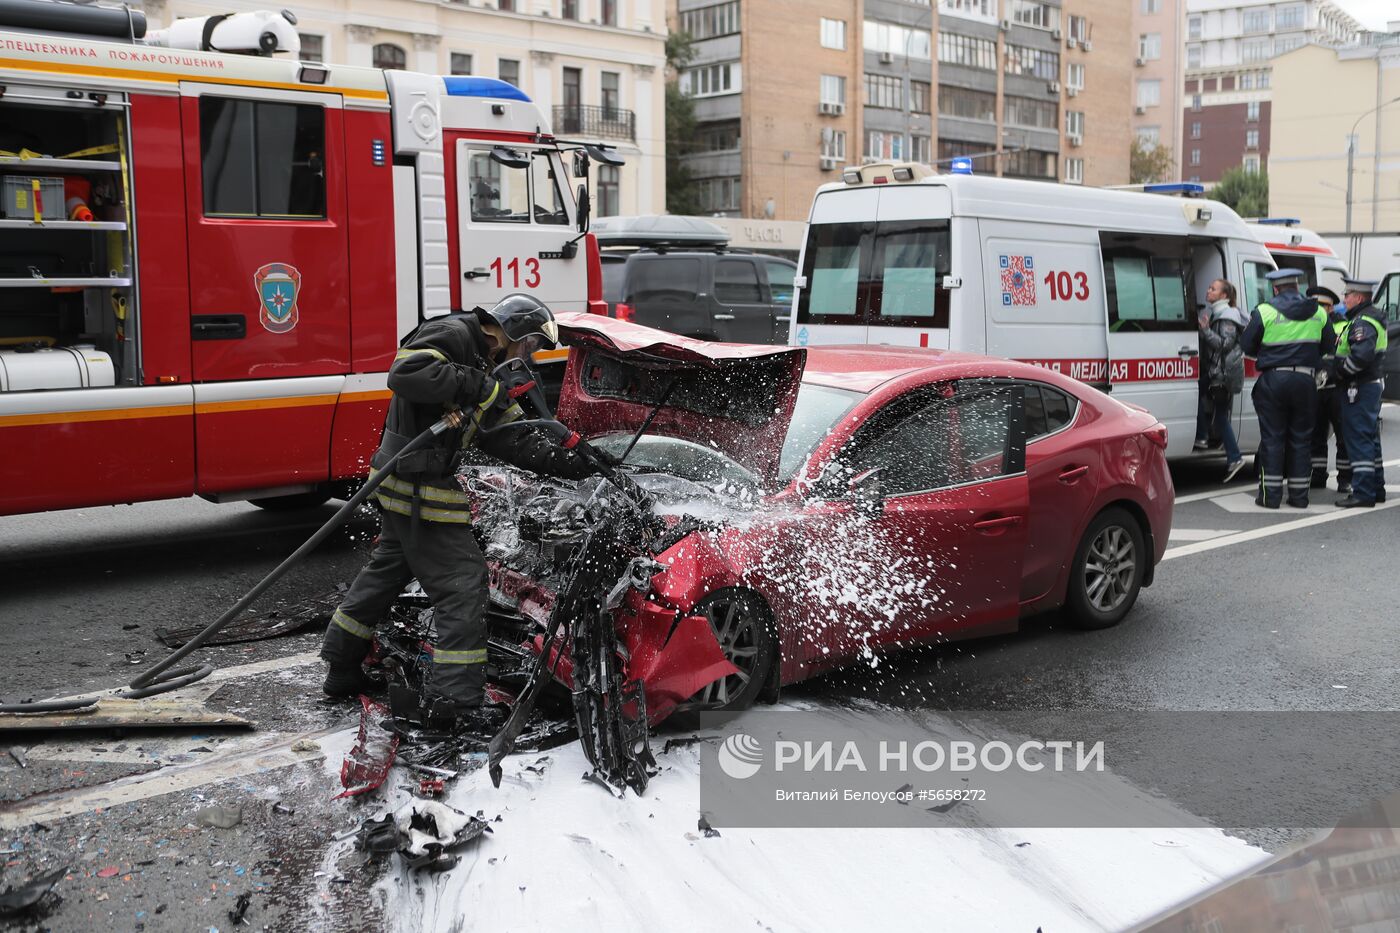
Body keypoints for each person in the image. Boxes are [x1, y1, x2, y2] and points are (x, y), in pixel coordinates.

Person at [321, 295, 597, 725]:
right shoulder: (453, 335)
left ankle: (342, 666)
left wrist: (568, 462)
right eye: (531, 348)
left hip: (406, 481)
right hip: (415, 481)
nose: (531, 358)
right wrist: (482, 387)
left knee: (388, 570)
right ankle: (455, 703)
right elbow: (406, 372)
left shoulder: (488, 367)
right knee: (463, 583)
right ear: (513, 334)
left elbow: (512, 436)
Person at [1240, 268, 1334, 509]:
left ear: (1275, 288)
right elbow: (1327, 346)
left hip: (1274, 380)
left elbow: (1247, 345)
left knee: (1273, 439)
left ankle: (1270, 498)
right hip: (1305, 381)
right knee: (1302, 440)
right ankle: (1300, 497)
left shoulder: (1265, 311)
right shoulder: (1319, 312)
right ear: (1297, 286)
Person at [1332, 278, 1389, 508]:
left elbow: (1361, 356)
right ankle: (1376, 488)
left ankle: (1364, 492)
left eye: (1348, 294)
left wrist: (1340, 373)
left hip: (1359, 386)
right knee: (1370, 439)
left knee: (1359, 439)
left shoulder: (1362, 322)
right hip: (1368, 385)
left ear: (1360, 297)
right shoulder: (1367, 318)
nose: (1344, 298)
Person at [1193, 278, 1249, 481]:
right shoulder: (1221, 313)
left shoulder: (1227, 316)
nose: (1208, 291)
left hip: (1222, 375)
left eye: (1212, 288)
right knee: (1205, 400)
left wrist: (1205, 331)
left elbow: (1225, 344)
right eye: (1209, 287)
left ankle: (1233, 457)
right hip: (1217, 372)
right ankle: (1203, 437)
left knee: (1221, 417)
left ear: (1224, 296)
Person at [1307, 286, 1351, 495]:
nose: (1318, 309)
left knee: (1342, 435)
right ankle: (1318, 474)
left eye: (1322, 306)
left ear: (1331, 307)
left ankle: (1344, 479)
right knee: (1316, 433)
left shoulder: (1343, 325)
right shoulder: (1309, 325)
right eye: (1315, 305)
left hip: (1337, 387)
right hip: (1315, 387)